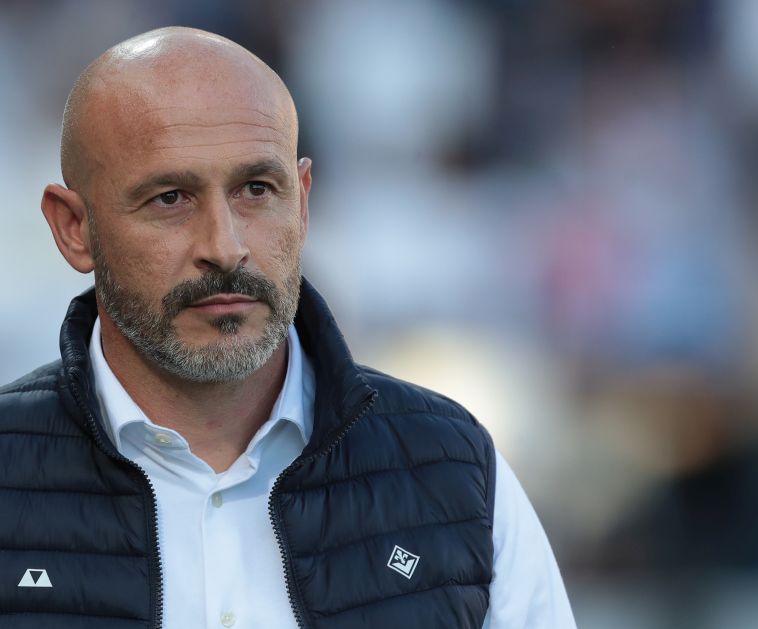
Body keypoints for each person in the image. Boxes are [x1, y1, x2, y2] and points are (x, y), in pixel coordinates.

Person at [0, 27, 575, 628]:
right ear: (73, 227)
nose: (225, 247)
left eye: (256, 190)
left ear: (301, 202)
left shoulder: (457, 472)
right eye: (170, 198)